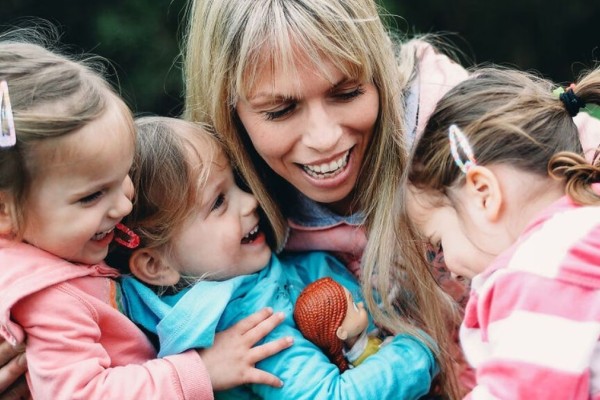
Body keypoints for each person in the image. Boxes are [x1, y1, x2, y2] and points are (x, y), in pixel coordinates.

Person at [181, 1, 600, 396]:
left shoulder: (455, 132)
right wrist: (191, 375)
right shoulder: (224, 215)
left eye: (346, 93)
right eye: (281, 110)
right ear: (228, 111)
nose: (325, 138)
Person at [0, 30, 292, 399]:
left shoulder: (58, 251)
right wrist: (201, 370)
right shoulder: (49, 297)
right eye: (92, 196)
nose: (123, 206)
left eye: (122, 177)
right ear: (3, 212)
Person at [116, 116, 440, 399]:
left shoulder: (248, 282)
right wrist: (423, 349)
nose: (251, 201)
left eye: (236, 185)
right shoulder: (250, 330)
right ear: (156, 266)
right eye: (218, 203)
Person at [401, 66, 600, 399]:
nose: (447, 265)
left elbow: (524, 391)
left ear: (483, 194)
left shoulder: (543, 264)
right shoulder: (579, 234)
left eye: (439, 242)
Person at [294, 276, 384, 372]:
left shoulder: (354, 348)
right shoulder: (366, 355)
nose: (361, 304)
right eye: (355, 306)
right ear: (341, 333)